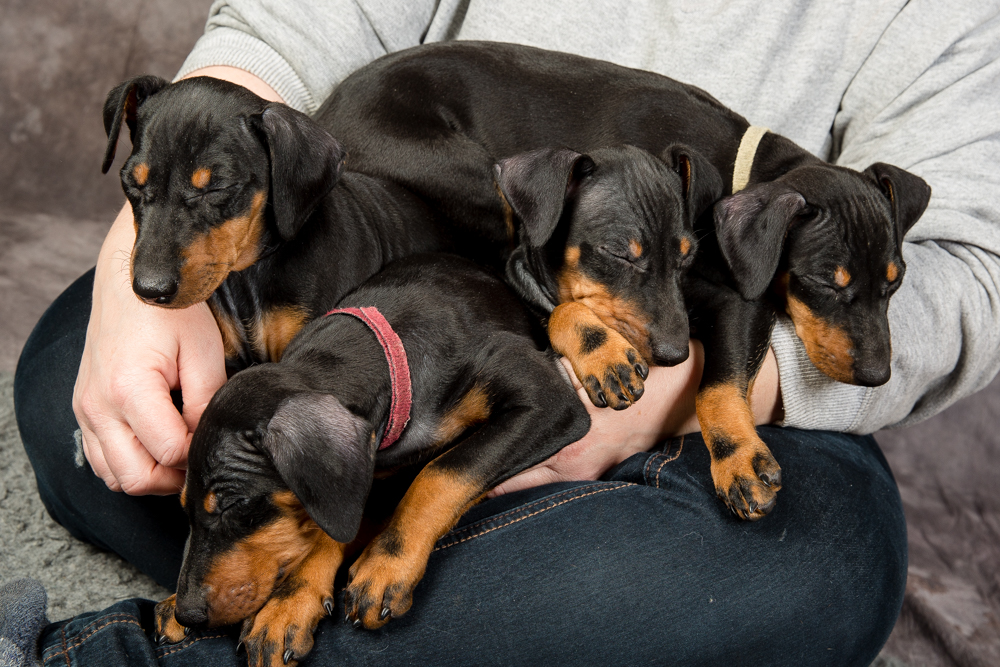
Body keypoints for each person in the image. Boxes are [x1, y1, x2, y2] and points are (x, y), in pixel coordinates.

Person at [10, 0, 1000, 664]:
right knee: (75, 390)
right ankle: (471, 582)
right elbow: (297, 22)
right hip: (382, 287)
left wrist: (706, 386)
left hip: (710, 372)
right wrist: (147, 269)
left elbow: (972, 264)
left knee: (830, 563)